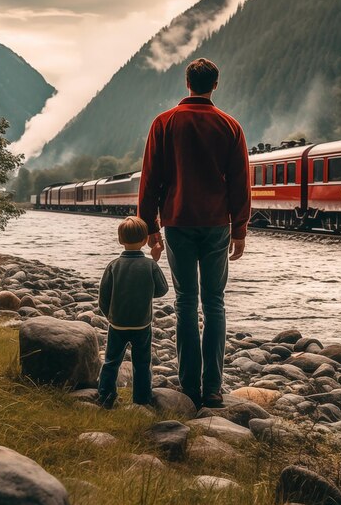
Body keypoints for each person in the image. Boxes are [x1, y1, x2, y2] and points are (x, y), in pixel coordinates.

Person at [138, 58, 251, 409]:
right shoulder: (230, 126)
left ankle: (189, 387)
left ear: (187, 83)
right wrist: (240, 229)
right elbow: (240, 183)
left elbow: (150, 180)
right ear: (215, 85)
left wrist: (151, 228)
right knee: (214, 302)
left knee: (186, 301)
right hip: (217, 223)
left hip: (178, 222)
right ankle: (213, 388)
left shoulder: (164, 123)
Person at [97, 216, 169, 408]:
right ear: (145, 241)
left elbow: (103, 297)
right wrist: (154, 261)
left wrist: (110, 316)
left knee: (111, 362)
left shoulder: (113, 265)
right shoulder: (149, 265)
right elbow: (162, 290)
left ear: (120, 240)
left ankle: (105, 397)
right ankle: (142, 399)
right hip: (142, 325)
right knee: (142, 364)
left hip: (117, 324)